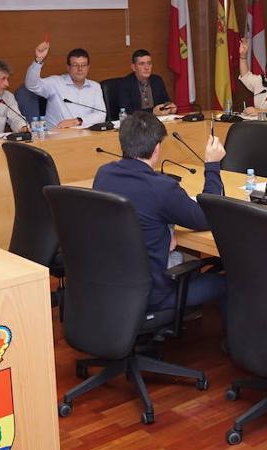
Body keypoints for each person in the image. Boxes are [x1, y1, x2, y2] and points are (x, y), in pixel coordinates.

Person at [93, 111, 227, 314]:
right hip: (153, 294)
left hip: (112, 285)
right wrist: (212, 165)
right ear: (156, 148)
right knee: (230, 282)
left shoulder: (104, 174)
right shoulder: (161, 188)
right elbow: (209, 216)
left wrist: (165, 232)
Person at [24, 41, 106, 128]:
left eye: (84, 65)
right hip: (58, 134)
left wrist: (78, 121)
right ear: (68, 67)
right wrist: (38, 60)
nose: (80, 69)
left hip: (86, 133)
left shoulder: (95, 87)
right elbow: (32, 85)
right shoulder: (55, 83)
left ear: (88, 67)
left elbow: (101, 114)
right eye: (75, 65)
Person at [112, 50, 175, 117]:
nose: (147, 67)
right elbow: (127, 111)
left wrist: (169, 107)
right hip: (136, 122)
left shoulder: (157, 80)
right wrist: (152, 112)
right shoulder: (124, 84)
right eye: (142, 64)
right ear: (133, 67)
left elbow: (165, 102)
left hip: (158, 120)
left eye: (149, 63)